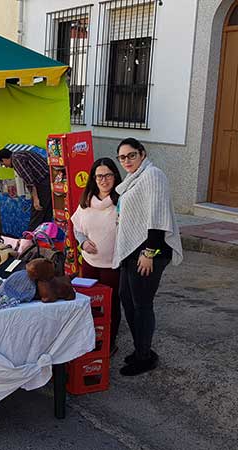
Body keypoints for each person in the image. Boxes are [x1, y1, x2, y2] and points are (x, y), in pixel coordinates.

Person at [112, 138, 183, 377]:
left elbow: (157, 216)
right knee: (127, 298)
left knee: (142, 304)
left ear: (142, 154)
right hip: (132, 250)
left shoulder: (153, 175)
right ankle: (141, 348)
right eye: (122, 157)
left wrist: (149, 252)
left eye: (131, 155)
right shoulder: (132, 180)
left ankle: (144, 357)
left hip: (149, 252)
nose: (127, 161)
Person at [71, 158, 123, 355]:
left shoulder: (122, 200)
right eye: (99, 176)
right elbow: (77, 228)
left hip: (113, 265)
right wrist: (82, 242)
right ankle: (90, 339)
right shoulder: (87, 201)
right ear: (93, 178)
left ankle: (109, 343)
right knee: (90, 303)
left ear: (115, 177)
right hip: (90, 264)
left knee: (111, 305)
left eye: (108, 175)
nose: (104, 180)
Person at [0, 147, 52, 231]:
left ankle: (29, 239)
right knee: (47, 212)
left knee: (37, 211)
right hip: (49, 180)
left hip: (43, 183)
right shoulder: (22, 153)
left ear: (4, 159)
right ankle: (45, 235)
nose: (6, 166)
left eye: (3, 164)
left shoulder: (16, 159)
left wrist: (36, 199)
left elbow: (29, 180)